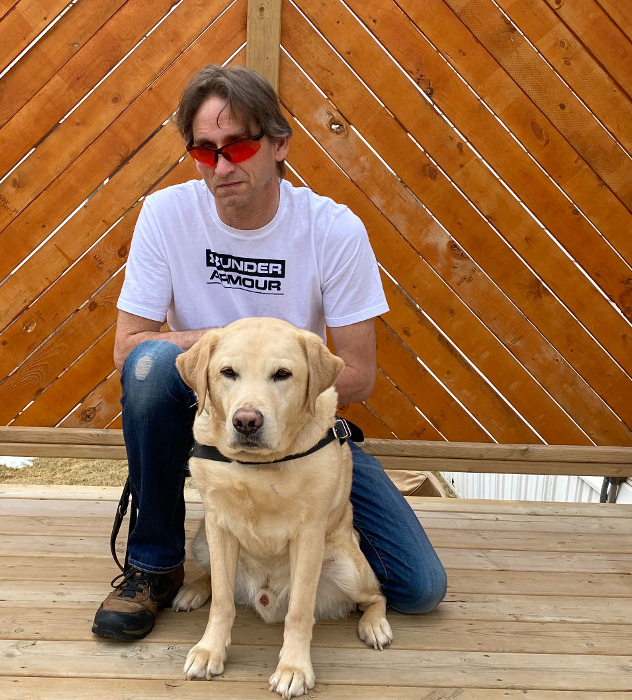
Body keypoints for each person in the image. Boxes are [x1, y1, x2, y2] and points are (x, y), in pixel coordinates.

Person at [91, 65, 446, 641]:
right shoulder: (166, 214)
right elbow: (129, 347)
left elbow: (356, 375)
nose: (222, 167)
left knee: (420, 589)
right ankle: (153, 564)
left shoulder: (333, 229)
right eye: (205, 152)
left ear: (280, 144)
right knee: (151, 367)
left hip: (297, 430)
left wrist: (280, 396)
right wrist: (228, 348)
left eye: (239, 146)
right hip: (207, 414)